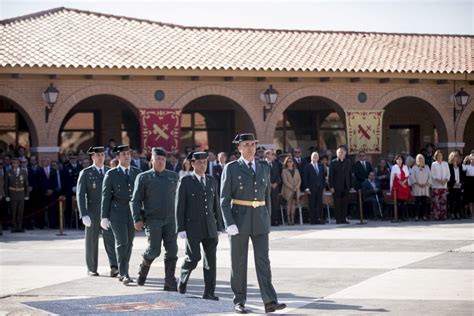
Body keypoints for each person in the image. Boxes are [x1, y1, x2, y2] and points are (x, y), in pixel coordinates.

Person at [220, 133, 286, 314]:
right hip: (239, 220)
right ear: (239, 148)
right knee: (239, 262)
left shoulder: (264, 167)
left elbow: (267, 198)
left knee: (263, 261)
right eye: (246, 145)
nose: (250, 148)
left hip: (260, 220)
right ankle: (239, 301)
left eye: (252, 144)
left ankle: (270, 301)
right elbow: (224, 199)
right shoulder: (231, 168)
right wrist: (229, 223)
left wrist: (267, 218)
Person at [176, 151, 224, 300]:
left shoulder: (211, 181)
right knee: (194, 257)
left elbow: (216, 205)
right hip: (193, 227)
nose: (202, 165)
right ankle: (183, 277)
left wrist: (220, 226)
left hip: (210, 227)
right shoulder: (185, 181)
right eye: (199, 163)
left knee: (211, 261)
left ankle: (209, 292)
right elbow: (179, 206)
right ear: (192, 164)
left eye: (205, 162)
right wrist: (181, 228)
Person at [131, 147, 179, 290]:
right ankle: (143, 269)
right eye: (158, 159)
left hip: (170, 220)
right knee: (154, 250)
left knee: (172, 250)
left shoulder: (173, 176)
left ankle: (169, 280)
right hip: (153, 220)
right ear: (152, 160)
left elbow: (179, 199)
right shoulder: (144, 177)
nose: (160, 162)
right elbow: (135, 200)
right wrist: (136, 218)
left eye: (163, 159)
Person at [101, 145, 140, 285]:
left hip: (132, 212)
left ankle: (124, 270)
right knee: (122, 242)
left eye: (128, 153)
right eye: (124, 154)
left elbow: (141, 195)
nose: (127, 156)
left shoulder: (137, 173)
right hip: (117, 212)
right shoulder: (111, 174)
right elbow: (105, 196)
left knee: (129, 243)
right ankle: (124, 273)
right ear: (118, 157)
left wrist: (142, 213)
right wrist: (104, 216)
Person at [77, 146, 118, 277]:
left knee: (111, 240)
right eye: (98, 155)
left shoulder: (109, 171)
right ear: (92, 157)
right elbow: (80, 194)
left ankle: (114, 266)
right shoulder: (86, 173)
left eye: (102, 155)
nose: (101, 157)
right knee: (91, 241)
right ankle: (92, 268)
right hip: (92, 212)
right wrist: (83, 213)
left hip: (107, 212)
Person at [328, 146, 352, 224]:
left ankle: (343, 219)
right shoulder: (333, 162)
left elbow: (350, 174)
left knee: (345, 203)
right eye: (339, 152)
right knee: (337, 203)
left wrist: (351, 185)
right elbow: (330, 175)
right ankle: (338, 219)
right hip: (336, 187)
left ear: (345, 153)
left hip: (346, 186)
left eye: (342, 152)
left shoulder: (348, 162)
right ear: (337, 154)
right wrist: (331, 186)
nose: (340, 153)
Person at [5, 157, 29, 232]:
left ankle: (19, 226)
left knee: (20, 211)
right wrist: (7, 195)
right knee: (13, 211)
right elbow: (6, 185)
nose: (14, 164)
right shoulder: (8, 172)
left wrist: (27, 195)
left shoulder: (23, 172)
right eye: (13, 163)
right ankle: (14, 226)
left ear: (19, 164)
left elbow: (26, 184)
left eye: (16, 163)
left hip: (21, 194)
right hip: (12, 194)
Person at [303, 151, 326, 224]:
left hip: (319, 188)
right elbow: (305, 178)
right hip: (311, 189)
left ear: (318, 158)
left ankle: (318, 218)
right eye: (314, 157)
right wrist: (306, 188)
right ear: (311, 158)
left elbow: (323, 177)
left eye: (316, 157)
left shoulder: (321, 166)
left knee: (319, 204)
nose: (315, 158)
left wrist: (323, 187)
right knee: (312, 204)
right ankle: (312, 219)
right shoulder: (307, 166)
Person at [262, 149, 282, 226]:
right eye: (272, 154)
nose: (274, 155)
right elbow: (262, 175)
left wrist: (276, 183)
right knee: (266, 204)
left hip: (274, 188)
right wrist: (269, 183)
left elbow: (278, 175)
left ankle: (274, 220)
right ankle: (267, 221)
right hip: (266, 188)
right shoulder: (262, 163)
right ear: (267, 155)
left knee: (274, 204)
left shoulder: (275, 164)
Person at [409, 154, 431, 221]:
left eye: (421, 158)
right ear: (417, 160)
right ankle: (416, 216)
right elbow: (412, 177)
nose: (420, 160)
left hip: (425, 187)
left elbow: (430, 176)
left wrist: (426, 183)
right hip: (417, 187)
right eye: (419, 158)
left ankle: (424, 215)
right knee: (417, 202)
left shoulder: (427, 167)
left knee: (424, 202)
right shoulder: (414, 168)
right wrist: (418, 183)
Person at [390, 154, 412, 220]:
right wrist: (401, 183)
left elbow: (407, 176)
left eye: (400, 159)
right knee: (397, 202)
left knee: (403, 202)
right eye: (398, 159)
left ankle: (403, 217)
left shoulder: (405, 167)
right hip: (397, 186)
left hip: (404, 186)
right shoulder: (394, 167)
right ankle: (397, 216)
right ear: (396, 160)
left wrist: (403, 183)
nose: (399, 160)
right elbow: (394, 177)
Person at [430, 150, 450, 221]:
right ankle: (436, 216)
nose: (439, 157)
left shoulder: (445, 163)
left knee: (443, 201)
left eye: (440, 155)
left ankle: (443, 216)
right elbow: (432, 174)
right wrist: (438, 180)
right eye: (438, 155)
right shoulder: (434, 164)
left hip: (444, 185)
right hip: (436, 185)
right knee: (436, 201)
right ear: (436, 156)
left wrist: (445, 180)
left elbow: (448, 174)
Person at [281, 156, 301, 225]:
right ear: (286, 163)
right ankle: (288, 218)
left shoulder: (296, 170)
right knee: (288, 204)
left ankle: (293, 218)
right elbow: (285, 181)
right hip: (288, 190)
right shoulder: (284, 170)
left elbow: (299, 180)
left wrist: (296, 187)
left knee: (294, 204)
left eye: (291, 161)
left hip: (296, 190)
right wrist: (292, 187)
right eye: (288, 161)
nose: (290, 163)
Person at [448, 151, 465, 220]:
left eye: (457, 156)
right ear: (451, 157)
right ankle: (452, 213)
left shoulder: (460, 166)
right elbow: (449, 176)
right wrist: (454, 183)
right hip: (452, 186)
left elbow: (462, 176)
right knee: (452, 200)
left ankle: (457, 213)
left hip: (459, 185)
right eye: (454, 156)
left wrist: (460, 183)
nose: (455, 158)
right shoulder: (449, 166)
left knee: (458, 201)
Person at [462, 153, 474, 218]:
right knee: (468, 200)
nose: (472, 160)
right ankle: (468, 214)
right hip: (468, 183)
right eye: (471, 159)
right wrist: (465, 159)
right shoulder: (467, 166)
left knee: (473, 201)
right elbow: (463, 168)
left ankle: (472, 214)